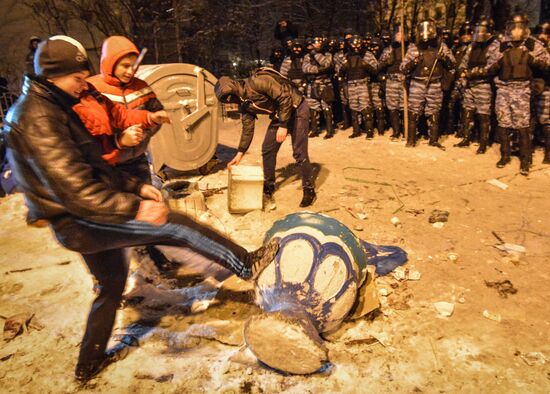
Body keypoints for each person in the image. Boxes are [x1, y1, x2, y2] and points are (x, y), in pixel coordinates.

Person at [2, 35, 279, 382]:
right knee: (175, 224)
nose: (82, 83)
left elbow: (93, 164)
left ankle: (87, 365)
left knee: (112, 284)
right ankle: (248, 264)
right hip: (82, 219)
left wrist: (135, 185)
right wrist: (134, 207)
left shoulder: (56, 104)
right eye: (77, 77)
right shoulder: (37, 117)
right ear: (53, 74)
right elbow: (77, 191)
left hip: (82, 216)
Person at [214, 67, 316, 207]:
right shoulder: (244, 104)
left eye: (230, 97)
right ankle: (269, 186)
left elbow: (285, 97)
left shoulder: (258, 82)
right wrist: (240, 153)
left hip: (296, 106)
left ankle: (309, 189)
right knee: (267, 148)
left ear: (234, 88)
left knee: (299, 151)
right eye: (227, 101)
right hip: (280, 114)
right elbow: (247, 129)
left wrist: (283, 125)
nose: (230, 102)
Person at [87, 36, 163, 184]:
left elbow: (155, 114)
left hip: (138, 159)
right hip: (108, 164)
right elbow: (90, 132)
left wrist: (142, 133)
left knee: (145, 201)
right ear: (110, 64)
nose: (130, 71)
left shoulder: (141, 86)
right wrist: (120, 139)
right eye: (125, 66)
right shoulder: (93, 89)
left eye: (134, 66)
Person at [484, 14, 550, 175]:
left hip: (522, 89)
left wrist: (533, 60)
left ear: (525, 28)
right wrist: (498, 63)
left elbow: (547, 63)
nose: (516, 31)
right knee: (503, 122)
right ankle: (505, 154)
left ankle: (525, 159)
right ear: (508, 28)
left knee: (522, 125)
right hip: (504, 89)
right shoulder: (501, 45)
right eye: (513, 27)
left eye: (519, 27)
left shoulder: (532, 45)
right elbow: (489, 65)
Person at [401, 19, 456, 149]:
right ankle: (411, 139)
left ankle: (433, 139)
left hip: (435, 83)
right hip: (417, 83)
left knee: (434, 111)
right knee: (414, 111)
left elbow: (453, 64)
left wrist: (444, 58)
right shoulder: (414, 48)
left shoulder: (441, 47)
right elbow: (403, 68)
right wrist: (414, 62)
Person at [454, 17, 499, 154]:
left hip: (483, 84)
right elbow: (464, 61)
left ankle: (483, 143)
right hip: (470, 84)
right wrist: (462, 70)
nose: (479, 33)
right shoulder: (472, 45)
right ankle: (466, 138)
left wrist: (471, 73)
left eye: (483, 29)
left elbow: (491, 67)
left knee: (483, 114)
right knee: (467, 111)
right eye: (478, 29)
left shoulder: (494, 46)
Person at [340, 35, 378, 139]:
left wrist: (366, 65)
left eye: (358, 44)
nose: (356, 46)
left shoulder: (367, 54)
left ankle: (369, 131)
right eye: (353, 44)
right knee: (353, 108)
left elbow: (375, 69)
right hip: (351, 84)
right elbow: (339, 71)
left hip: (363, 83)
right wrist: (343, 68)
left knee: (365, 107)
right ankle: (356, 130)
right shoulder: (346, 56)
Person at [378, 23, 410, 140]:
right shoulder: (389, 49)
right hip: (391, 80)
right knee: (393, 107)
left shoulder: (410, 48)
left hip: (404, 81)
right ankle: (396, 131)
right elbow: (378, 66)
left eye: (401, 33)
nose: (399, 36)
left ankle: (406, 130)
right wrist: (386, 62)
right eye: (397, 33)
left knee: (404, 106)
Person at [302, 35, 335, 139]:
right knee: (313, 107)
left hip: (325, 84)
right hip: (313, 84)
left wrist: (316, 55)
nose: (317, 44)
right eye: (315, 42)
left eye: (319, 42)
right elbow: (305, 68)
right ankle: (315, 129)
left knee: (327, 107)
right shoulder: (307, 56)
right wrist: (318, 70)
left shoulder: (327, 54)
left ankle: (329, 130)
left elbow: (326, 64)